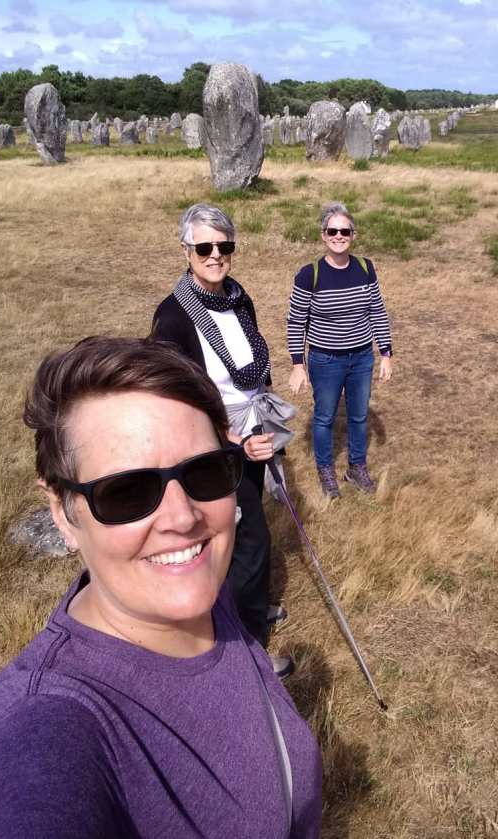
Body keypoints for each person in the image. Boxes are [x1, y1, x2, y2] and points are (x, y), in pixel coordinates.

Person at [0, 336, 322, 839]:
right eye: (127, 491)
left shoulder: (200, 594)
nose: (183, 518)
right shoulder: (46, 727)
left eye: (205, 472)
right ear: (63, 511)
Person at [152, 204, 295, 677]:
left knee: (242, 533)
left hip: (252, 429)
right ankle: (244, 653)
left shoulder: (238, 297)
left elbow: (256, 365)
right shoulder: (173, 317)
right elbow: (173, 397)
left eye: (224, 245)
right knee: (247, 538)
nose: (215, 255)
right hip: (209, 445)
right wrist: (228, 439)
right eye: (204, 247)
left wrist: (263, 423)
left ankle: (247, 609)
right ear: (186, 251)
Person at [287, 202, 393, 498]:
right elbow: (296, 321)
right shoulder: (309, 275)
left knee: (359, 416)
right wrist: (298, 364)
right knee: (324, 418)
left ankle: (356, 469)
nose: (338, 236)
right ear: (323, 235)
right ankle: (326, 472)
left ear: (353, 235)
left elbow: (377, 311)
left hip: (362, 357)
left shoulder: (365, 268)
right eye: (332, 231)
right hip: (325, 360)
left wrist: (386, 353)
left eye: (344, 231)